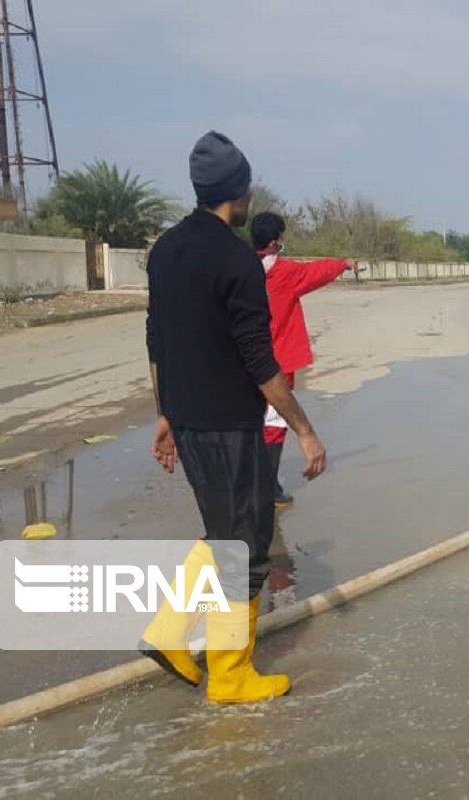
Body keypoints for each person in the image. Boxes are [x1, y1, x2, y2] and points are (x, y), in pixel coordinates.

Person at [140, 131, 327, 704]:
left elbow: (156, 339)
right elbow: (257, 358)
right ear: (240, 191)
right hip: (229, 424)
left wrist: (165, 412)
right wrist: (302, 427)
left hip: (191, 421)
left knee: (226, 534)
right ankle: (230, 673)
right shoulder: (236, 260)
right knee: (245, 544)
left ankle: (170, 633)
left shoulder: (165, 250)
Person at [251, 212, 352, 507]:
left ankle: (252, 480)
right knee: (274, 421)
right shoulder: (284, 273)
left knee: (250, 420)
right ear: (274, 242)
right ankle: (267, 485)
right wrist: (344, 264)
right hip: (276, 361)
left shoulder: (241, 268)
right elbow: (316, 271)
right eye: (281, 236)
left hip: (244, 359)